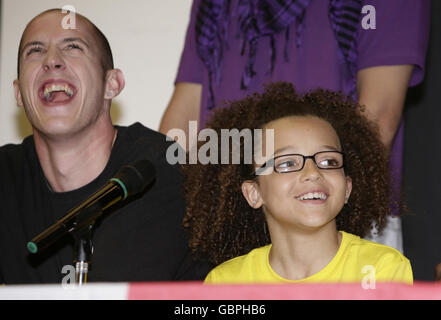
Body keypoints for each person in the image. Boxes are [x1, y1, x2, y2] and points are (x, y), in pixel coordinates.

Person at [159, 0, 430, 253]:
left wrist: (318, 210)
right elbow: (184, 119)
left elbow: (380, 115)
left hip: (337, 219)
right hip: (231, 220)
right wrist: (163, 209)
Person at [0, 9, 211, 284]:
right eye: (35, 51)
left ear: (112, 84)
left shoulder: (157, 172)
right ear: (18, 92)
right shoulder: (7, 178)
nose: (51, 60)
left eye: (73, 47)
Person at [183, 82, 412, 284]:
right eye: (287, 163)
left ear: (347, 188)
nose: (312, 173)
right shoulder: (226, 284)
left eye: (329, 161)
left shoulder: (383, 269)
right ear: (254, 193)